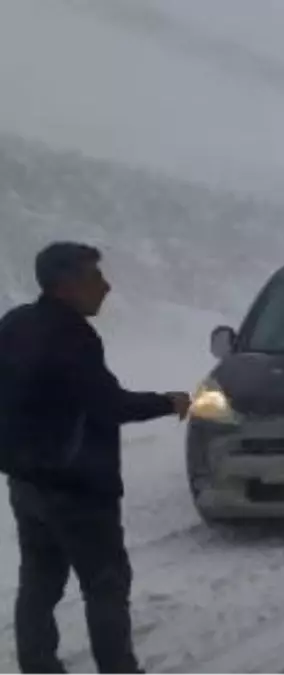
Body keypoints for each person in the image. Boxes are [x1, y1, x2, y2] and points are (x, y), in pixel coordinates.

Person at [0, 242, 191, 675]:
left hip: (27, 481)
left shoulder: (14, 323)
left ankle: (38, 665)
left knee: (39, 581)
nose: (106, 286)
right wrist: (170, 401)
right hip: (78, 486)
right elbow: (107, 404)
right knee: (105, 584)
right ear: (66, 286)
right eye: (95, 277)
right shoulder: (72, 336)